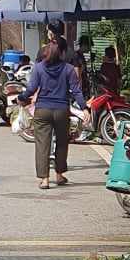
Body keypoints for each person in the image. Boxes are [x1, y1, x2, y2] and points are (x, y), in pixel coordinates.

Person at [20, 36, 85, 189]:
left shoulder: (39, 67)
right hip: (62, 110)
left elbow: (31, 89)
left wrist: (21, 97)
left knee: (43, 144)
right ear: (61, 53)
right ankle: (60, 175)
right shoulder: (68, 69)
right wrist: (85, 107)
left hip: (43, 110)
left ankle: (44, 179)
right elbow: (76, 91)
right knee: (62, 143)